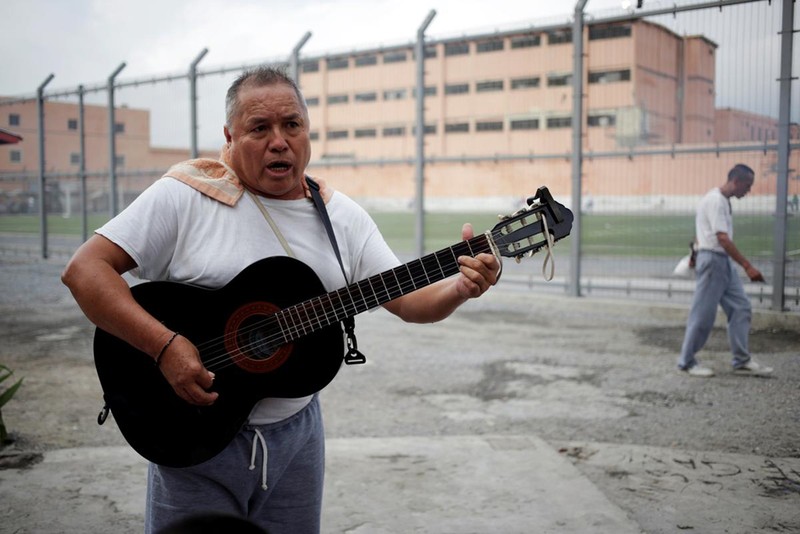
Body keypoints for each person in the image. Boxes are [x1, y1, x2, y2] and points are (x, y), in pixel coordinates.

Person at [61, 66, 500, 533]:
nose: (279, 140)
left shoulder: (339, 217)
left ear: (307, 132)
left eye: (292, 125)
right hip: (192, 428)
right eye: (260, 128)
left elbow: (409, 301)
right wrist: (164, 346)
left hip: (296, 438)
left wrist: (459, 287)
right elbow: (84, 271)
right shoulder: (186, 196)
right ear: (229, 137)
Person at [677, 163, 773, 378]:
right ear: (735, 181)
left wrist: (695, 254)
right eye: (747, 186)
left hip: (721, 260)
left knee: (741, 307)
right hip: (713, 260)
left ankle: (741, 360)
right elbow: (722, 238)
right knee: (702, 315)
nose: (748, 191)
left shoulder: (721, 201)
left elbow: (703, 233)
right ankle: (686, 361)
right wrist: (747, 266)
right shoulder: (716, 201)